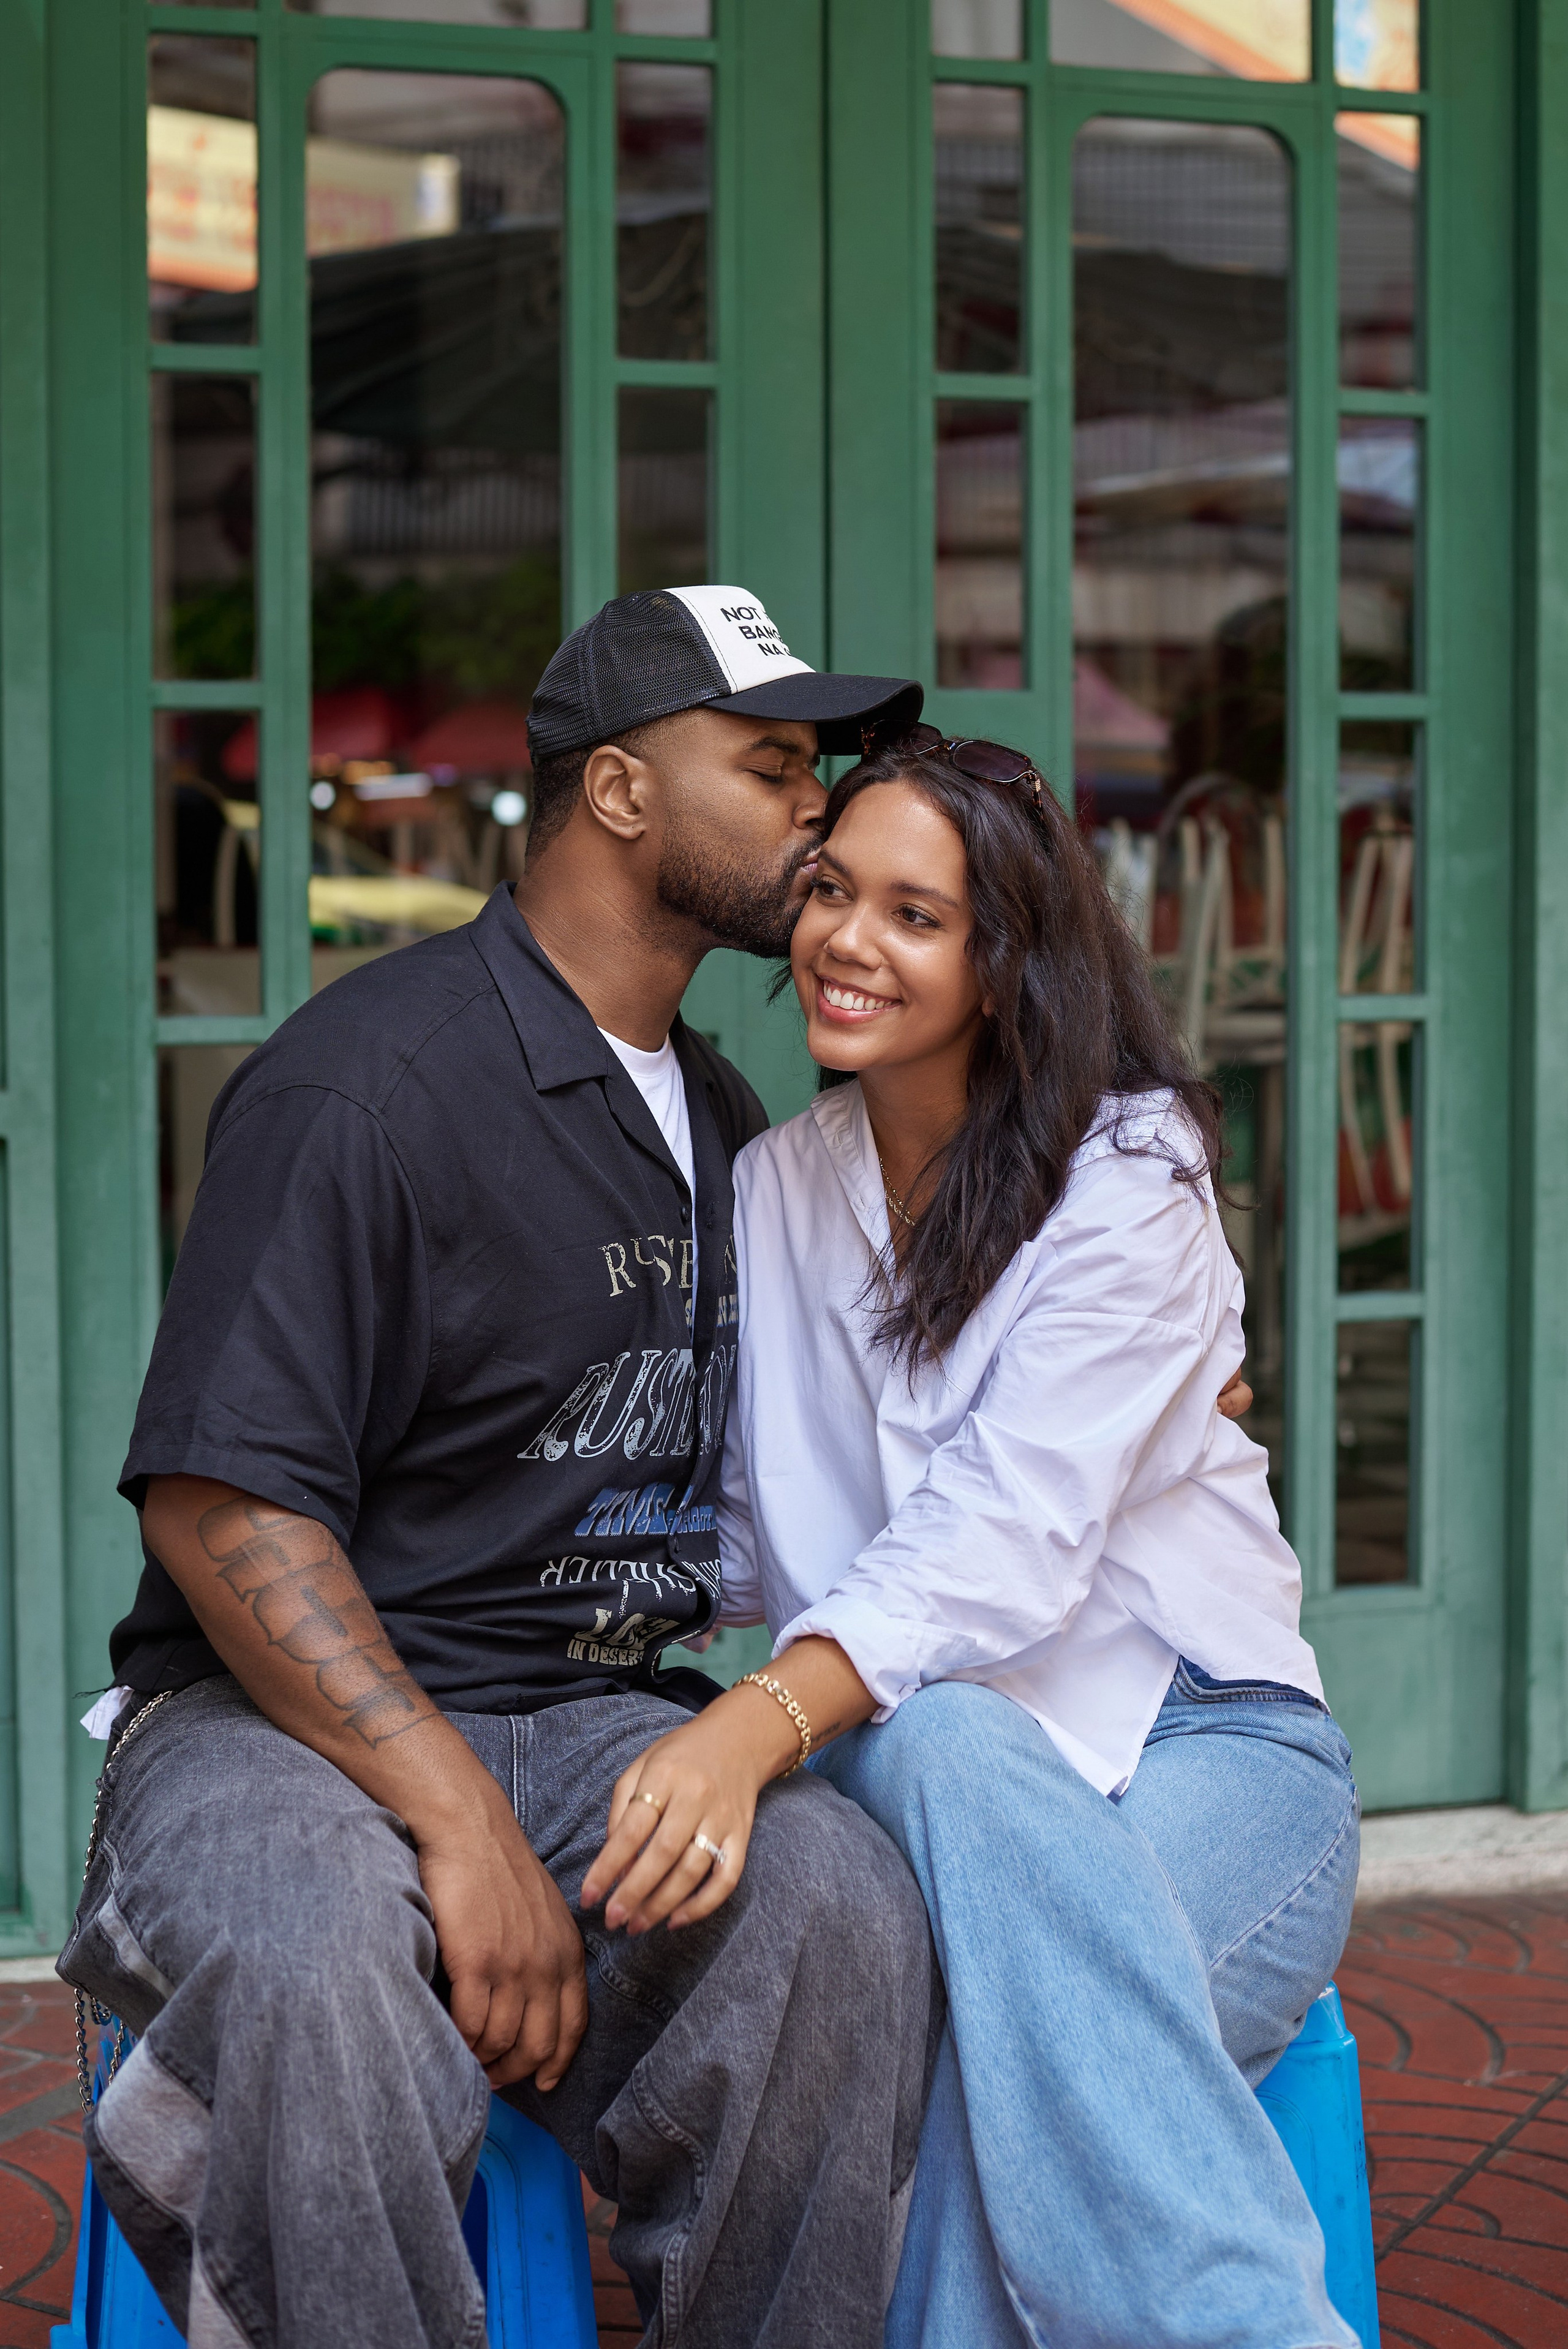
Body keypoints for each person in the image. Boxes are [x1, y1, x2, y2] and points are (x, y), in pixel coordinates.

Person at [56, 587, 944, 2349]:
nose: (817, 807)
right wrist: (458, 1819)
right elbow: (222, 1504)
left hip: (593, 1721)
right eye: (772, 765)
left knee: (837, 1910)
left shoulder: (725, 1116)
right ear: (619, 790)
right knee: (317, 1960)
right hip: (272, 1729)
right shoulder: (367, 1085)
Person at [583, 728, 1362, 2349]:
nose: (850, 940)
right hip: (938, 1775)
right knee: (945, 1744)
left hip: (1207, 1744)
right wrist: (537, 1572)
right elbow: (745, 1526)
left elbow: (1002, 1540)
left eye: (917, 915)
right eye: (832, 892)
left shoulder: (1128, 1179)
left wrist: (756, 1719)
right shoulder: (778, 1186)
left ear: (1006, 964)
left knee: (978, 2069)